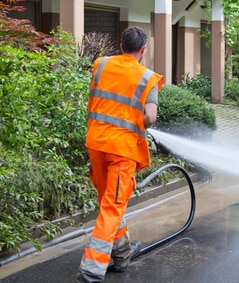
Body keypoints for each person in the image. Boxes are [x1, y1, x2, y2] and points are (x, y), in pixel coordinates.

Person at [76, 26, 163, 283]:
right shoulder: (147, 78)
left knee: (108, 202)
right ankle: (91, 272)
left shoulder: (101, 64)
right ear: (143, 49)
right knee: (113, 207)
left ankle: (123, 253)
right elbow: (150, 118)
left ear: (121, 45)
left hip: (96, 144)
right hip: (121, 151)